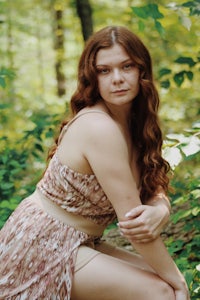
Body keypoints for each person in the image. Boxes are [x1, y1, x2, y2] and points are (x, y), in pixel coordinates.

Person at [0, 25, 189, 300]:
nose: (117, 79)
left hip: (78, 241)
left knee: (161, 283)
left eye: (127, 66)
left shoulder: (135, 125)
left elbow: (152, 186)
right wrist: (179, 280)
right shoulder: (99, 127)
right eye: (104, 70)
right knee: (162, 291)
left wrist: (161, 208)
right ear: (93, 77)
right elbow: (134, 225)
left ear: (142, 72)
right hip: (41, 243)